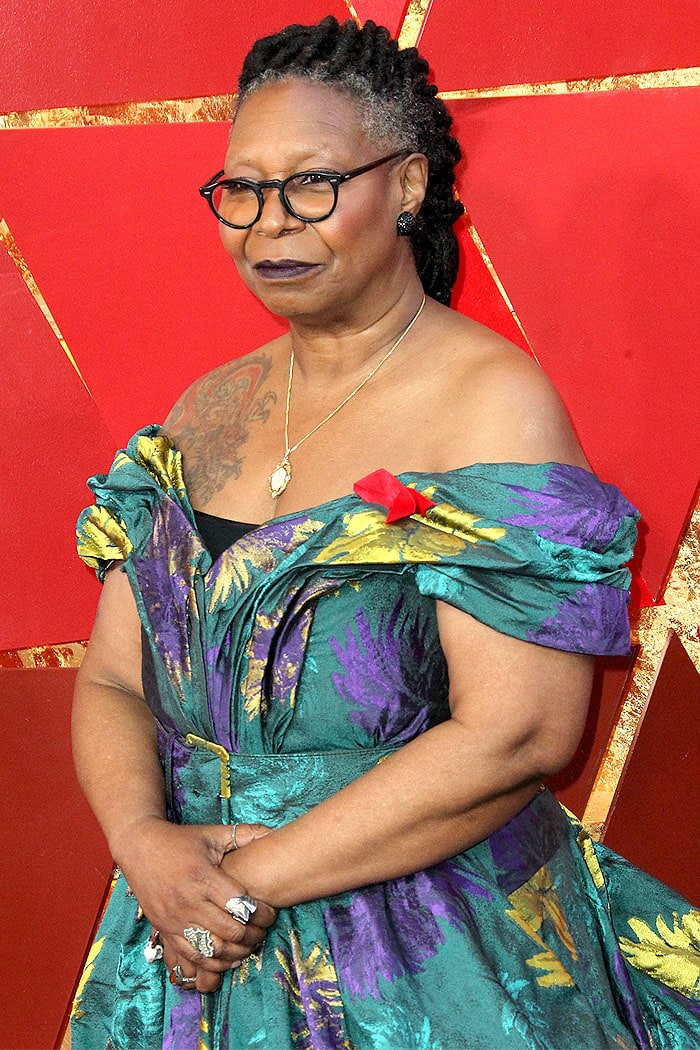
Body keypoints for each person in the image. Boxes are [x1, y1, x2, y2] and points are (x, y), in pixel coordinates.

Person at [70, 16, 699, 1050]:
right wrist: (144, 845)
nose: (270, 224)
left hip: (422, 955)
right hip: (186, 935)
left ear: (405, 185)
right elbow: (108, 681)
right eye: (241, 189)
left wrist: (229, 891)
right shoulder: (201, 412)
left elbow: (521, 732)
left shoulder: (490, 405)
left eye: (311, 184)